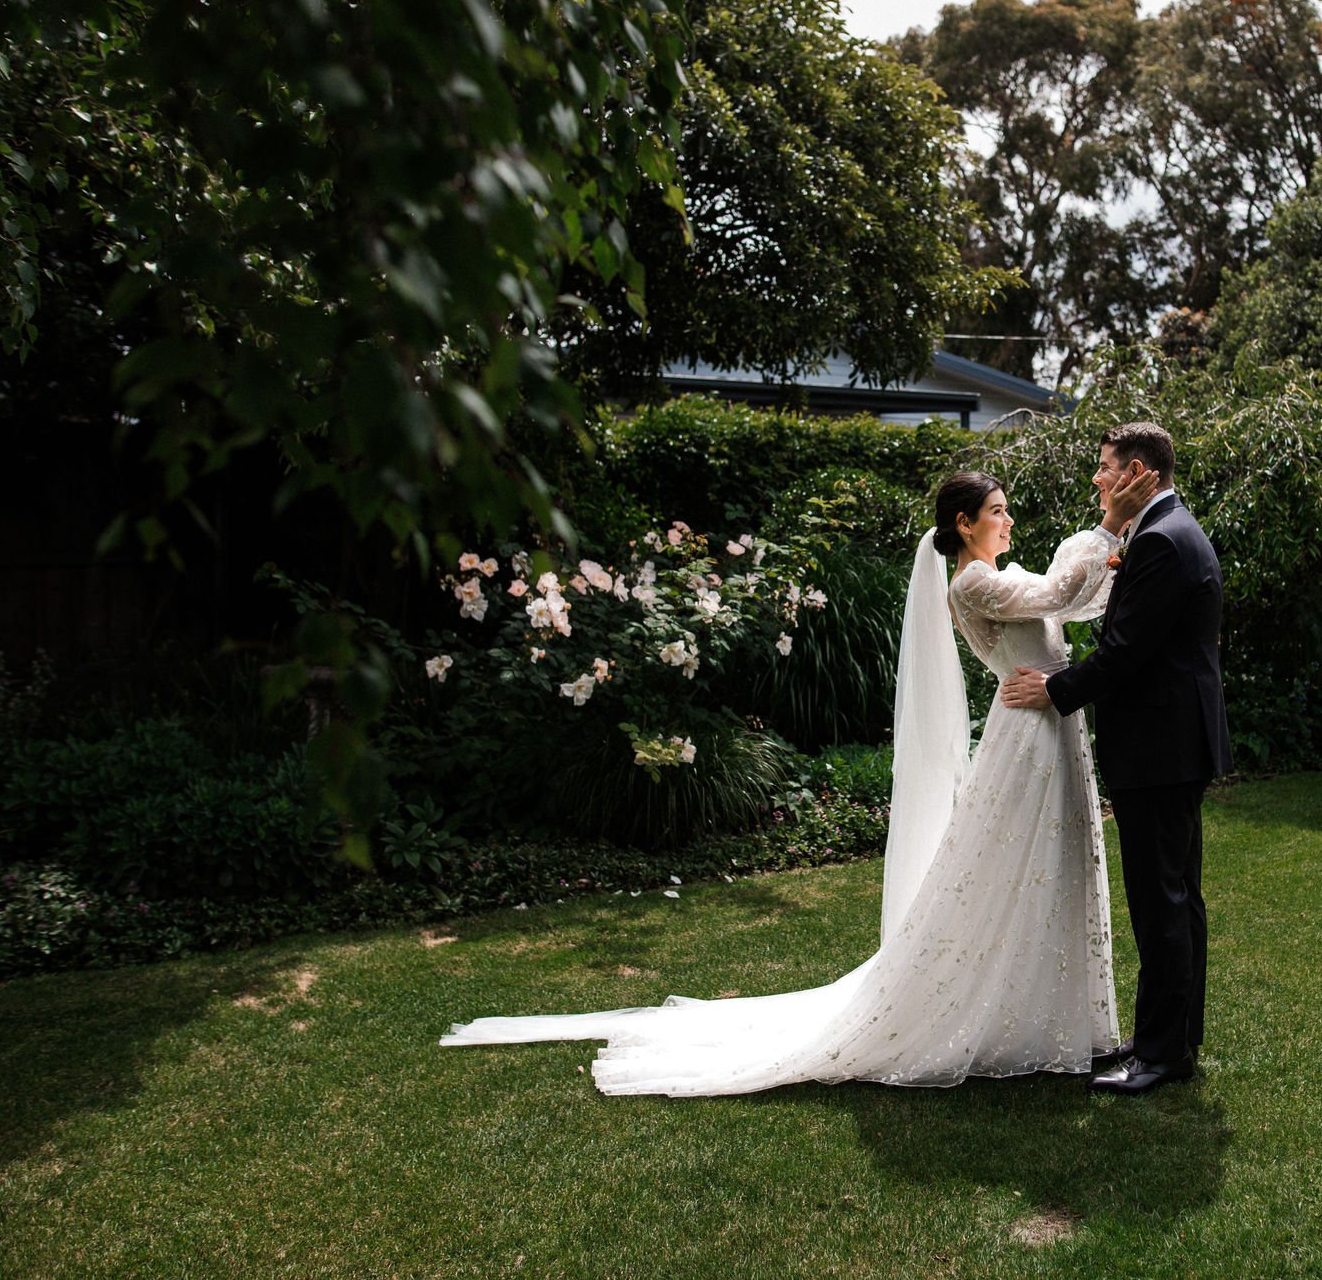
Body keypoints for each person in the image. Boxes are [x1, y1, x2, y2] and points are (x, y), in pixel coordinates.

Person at [440, 465, 1160, 1096]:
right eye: (997, 511)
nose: (1009, 519)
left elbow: (1069, 599)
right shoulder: (974, 584)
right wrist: (1106, 525)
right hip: (1024, 742)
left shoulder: (1001, 577)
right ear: (964, 525)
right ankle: (1010, 1018)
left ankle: (1053, 1018)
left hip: (1048, 729)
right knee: (1019, 871)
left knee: (1049, 870)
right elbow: (1060, 589)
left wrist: (1116, 556)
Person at [1000, 421, 1231, 1096]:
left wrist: (1055, 689)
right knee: (1177, 898)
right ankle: (1173, 1035)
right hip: (1175, 743)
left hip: (1160, 747)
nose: (1098, 480)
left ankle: (1161, 1054)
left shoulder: (1159, 538)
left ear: (1138, 471)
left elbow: (1126, 649)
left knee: (1162, 903)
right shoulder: (1166, 528)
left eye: (1105, 468)